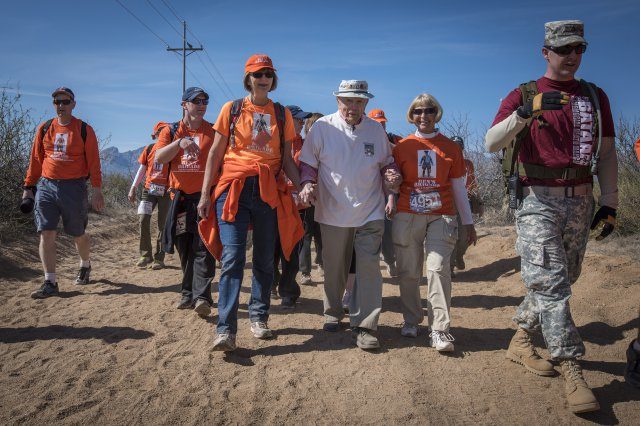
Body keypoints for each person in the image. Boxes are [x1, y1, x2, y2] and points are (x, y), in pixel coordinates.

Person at [485, 21, 618, 413]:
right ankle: (571, 366)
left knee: (561, 278)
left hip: (580, 200)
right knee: (552, 284)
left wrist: (609, 201)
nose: (572, 56)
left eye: (579, 48)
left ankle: (521, 339)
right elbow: (492, 141)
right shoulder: (524, 93)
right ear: (546, 53)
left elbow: (607, 154)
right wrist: (527, 112)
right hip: (536, 201)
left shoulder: (595, 96)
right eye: (563, 49)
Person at [197, 54, 304, 352]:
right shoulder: (231, 110)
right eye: (258, 74)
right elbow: (215, 155)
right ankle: (226, 330)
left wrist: (303, 186)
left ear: (273, 78)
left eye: (268, 73)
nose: (263, 78)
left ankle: (259, 317)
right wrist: (205, 194)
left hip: (268, 188)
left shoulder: (281, 114)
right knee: (232, 258)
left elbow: (286, 160)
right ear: (248, 78)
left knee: (264, 260)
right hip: (234, 187)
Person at [298, 80, 401, 350]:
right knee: (334, 268)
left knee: (368, 269)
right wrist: (307, 183)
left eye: (359, 101)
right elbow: (307, 162)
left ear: (366, 103)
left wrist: (390, 174)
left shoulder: (375, 130)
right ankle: (332, 312)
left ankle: (365, 326)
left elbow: (386, 161)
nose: (352, 107)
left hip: (370, 210)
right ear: (337, 101)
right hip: (332, 211)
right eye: (348, 101)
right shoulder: (322, 128)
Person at [391, 93, 477, 350]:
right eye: (418, 111)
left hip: (442, 215)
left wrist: (469, 223)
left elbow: (459, 188)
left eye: (429, 110)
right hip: (408, 214)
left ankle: (440, 329)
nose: (423, 116)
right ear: (411, 115)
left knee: (438, 269)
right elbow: (392, 183)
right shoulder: (401, 147)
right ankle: (411, 319)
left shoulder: (450, 148)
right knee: (409, 271)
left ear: (436, 113)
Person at [23, 87, 104, 298]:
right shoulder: (44, 128)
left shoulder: (84, 130)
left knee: (79, 235)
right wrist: (28, 187)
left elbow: (94, 163)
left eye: (65, 102)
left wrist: (97, 190)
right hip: (46, 186)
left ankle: (85, 265)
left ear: (73, 104)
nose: (61, 105)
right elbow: (35, 160)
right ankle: (50, 282)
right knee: (47, 232)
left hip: (73, 187)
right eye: (57, 102)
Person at [155, 87, 216, 318]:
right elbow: (159, 157)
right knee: (184, 247)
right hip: (179, 199)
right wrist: (178, 143)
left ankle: (203, 296)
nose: (201, 104)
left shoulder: (212, 131)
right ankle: (188, 292)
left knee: (203, 247)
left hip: (204, 198)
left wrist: (211, 195)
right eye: (196, 101)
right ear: (184, 104)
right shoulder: (170, 131)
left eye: (205, 101)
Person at [271, 104, 313, 308]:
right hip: (274, 205)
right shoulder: (273, 144)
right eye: (298, 119)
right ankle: (272, 282)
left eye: (303, 120)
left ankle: (288, 291)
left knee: (291, 251)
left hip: (298, 208)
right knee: (271, 250)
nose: (302, 123)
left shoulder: (307, 146)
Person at [127, 123, 171, 270]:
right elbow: (142, 170)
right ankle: (145, 255)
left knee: (162, 225)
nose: (164, 133)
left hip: (166, 191)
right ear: (156, 134)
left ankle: (160, 258)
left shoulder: (172, 149)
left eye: (166, 130)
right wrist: (133, 188)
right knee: (143, 219)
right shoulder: (150, 148)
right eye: (161, 131)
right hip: (148, 190)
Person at [368, 108, 399, 277]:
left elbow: (402, 155)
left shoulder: (393, 141)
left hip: (389, 193)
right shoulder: (363, 140)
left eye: (383, 124)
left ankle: (389, 260)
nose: (382, 127)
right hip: (369, 194)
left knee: (388, 230)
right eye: (378, 124)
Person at [298, 113, 324, 284]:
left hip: (321, 197)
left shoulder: (324, 145)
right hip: (307, 197)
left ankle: (319, 264)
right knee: (307, 235)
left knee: (318, 234)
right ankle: (306, 271)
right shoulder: (301, 147)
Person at [449, 136, 479, 275]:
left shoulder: (468, 164)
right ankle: (449, 267)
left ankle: (459, 255)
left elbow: (472, 183)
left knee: (464, 236)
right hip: (447, 203)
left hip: (464, 203)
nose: (456, 148)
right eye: (453, 145)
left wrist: (476, 199)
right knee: (449, 236)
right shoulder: (444, 162)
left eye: (459, 146)